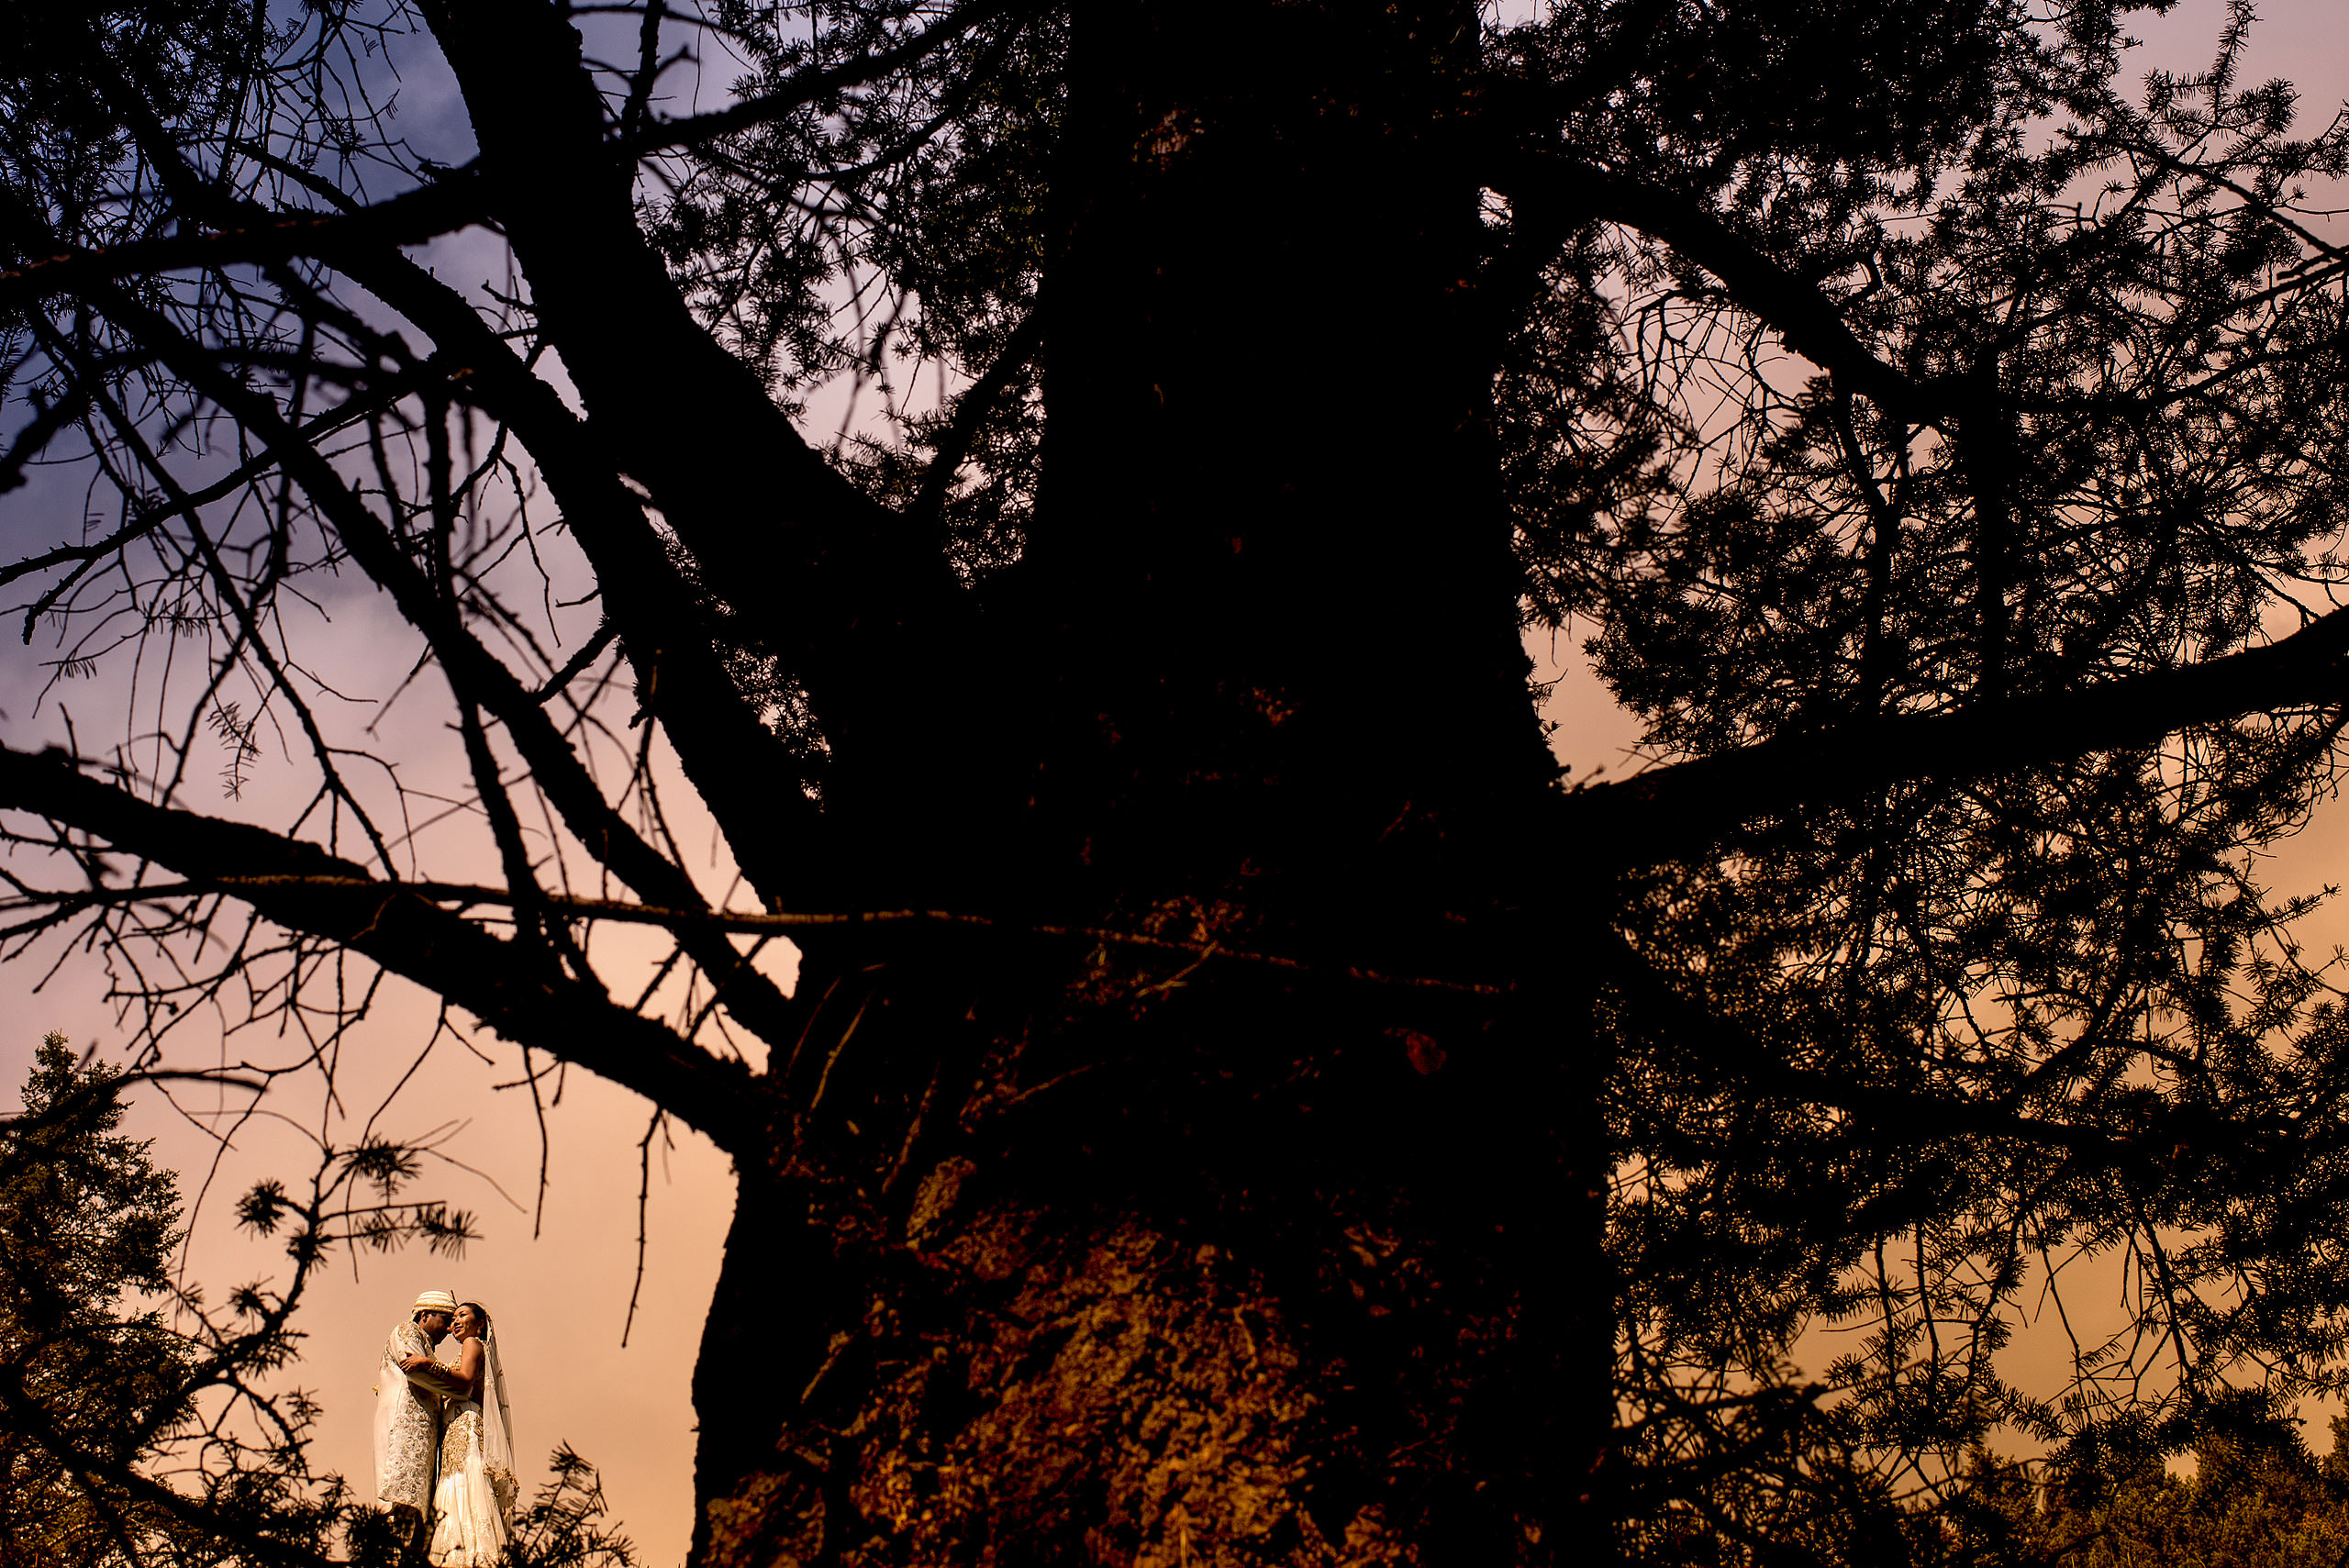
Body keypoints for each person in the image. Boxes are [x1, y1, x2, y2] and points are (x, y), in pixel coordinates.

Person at [372, 1289, 470, 1551]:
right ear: (425, 1315)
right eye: (445, 1319)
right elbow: (415, 1374)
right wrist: (461, 1389)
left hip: (420, 1435)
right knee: (399, 1496)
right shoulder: (407, 1332)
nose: (449, 1329)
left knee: (416, 1504)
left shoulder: (427, 1348)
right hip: (402, 1428)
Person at [420, 1300, 517, 1566]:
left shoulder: (472, 1344)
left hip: (465, 1427)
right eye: (453, 1319)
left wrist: (428, 1365)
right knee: (456, 1485)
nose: (456, 1322)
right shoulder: (468, 1348)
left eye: (462, 1315)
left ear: (480, 1323)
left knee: (464, 1483)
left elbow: (464, 1379)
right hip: (455, 1429)